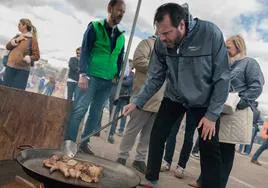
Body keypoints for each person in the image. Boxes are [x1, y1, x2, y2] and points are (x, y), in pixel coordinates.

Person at [123, 3, 230, 188]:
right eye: (159, 33)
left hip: (203, 100)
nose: (162, 38)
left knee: (209, 147)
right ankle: (151, 179)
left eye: (166, 33)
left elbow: (222, 77)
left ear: (182, 25)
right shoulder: (161, 43)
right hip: (175, 96)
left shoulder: (210, 33)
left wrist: (212, 115)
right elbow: (155, 77)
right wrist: (137, 102)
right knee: (157, 135)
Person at [190, 34, 265, 188]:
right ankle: (203, 180)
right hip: (219, 111)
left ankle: (218, 184)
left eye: (228, 47)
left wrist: (240, 101)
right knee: (211, 148)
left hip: (235, 113)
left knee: (225, 150)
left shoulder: (249, 63)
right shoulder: (225, 65)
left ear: (238, 46)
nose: (224, 50)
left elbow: (256, 86)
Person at [64, 0, 126, 154]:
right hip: (91, 77)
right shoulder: (95, 27)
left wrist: (117, 75)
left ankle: (84, 143)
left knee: (96, 113)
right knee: (80, 110)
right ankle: (69, 143)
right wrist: (83, 74)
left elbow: (120, 58)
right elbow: (85, 51)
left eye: (123, 12)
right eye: (119, 10)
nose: (121, 14)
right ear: (110, 8)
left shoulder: (121, 36)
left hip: (107, 81)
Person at [116, 35, 166, 174]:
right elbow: (138, 62)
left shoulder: (170, 48)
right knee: (132, 130)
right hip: (142, 97)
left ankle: (139, 159)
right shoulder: (147, 43)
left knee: (148, 134)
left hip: (159, 100)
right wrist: (160, 66)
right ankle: (122, 156)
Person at [4, 18, 40, 90]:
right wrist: (17, 40)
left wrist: (29, 58)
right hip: (9, 67)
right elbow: (7, 47)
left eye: (19, 24)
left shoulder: (32, 39)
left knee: (17, 93)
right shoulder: (17, 36)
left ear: (25, 26)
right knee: (4, 90)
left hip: (22, 71)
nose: (18, 26)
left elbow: (37, 56)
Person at [160, 112, 199, 179]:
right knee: (172, 131)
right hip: (180, 102)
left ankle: (181, 166)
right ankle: (167, 161)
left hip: (195, 106)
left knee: (189, 136)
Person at [107, 64, 134, 144]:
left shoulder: (131, 74)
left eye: (130, 65)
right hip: (116, 96)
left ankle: (121, 130)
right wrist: (119, 80)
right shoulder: (117, 72)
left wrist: (119, 81)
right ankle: (111, 132)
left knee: (124, 115)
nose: (128, 66)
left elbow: (128, 83)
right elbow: (114, 80)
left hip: (125, 98)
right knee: (114, 115)